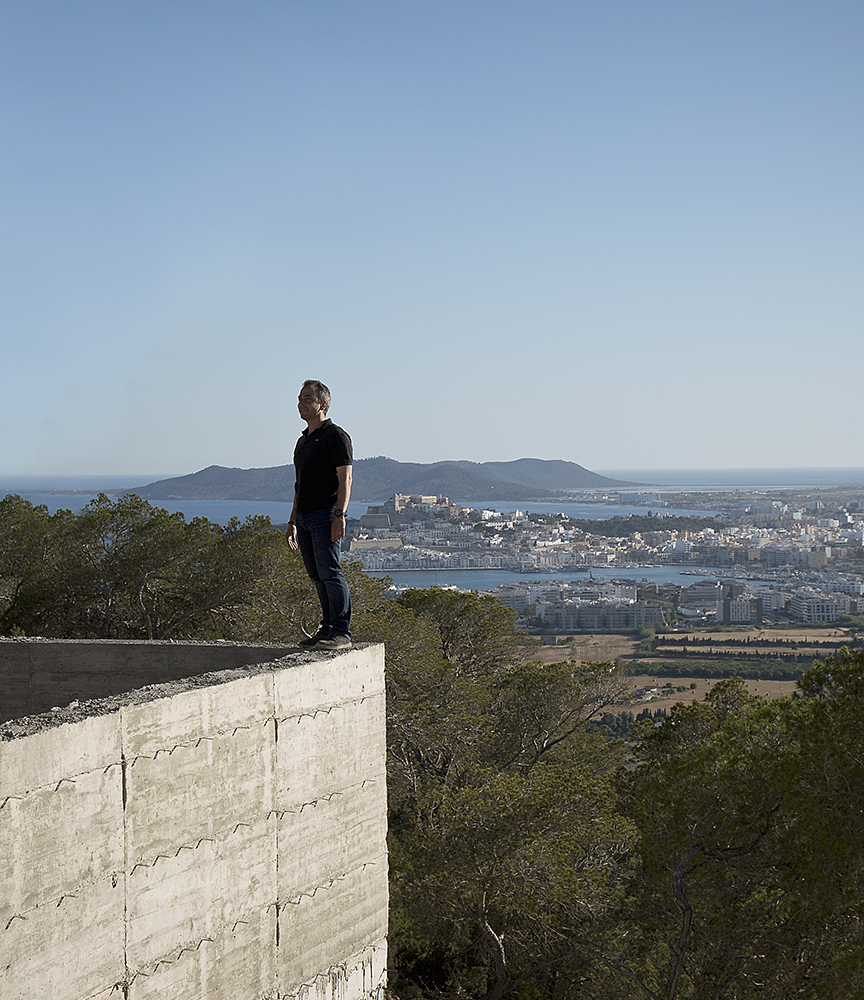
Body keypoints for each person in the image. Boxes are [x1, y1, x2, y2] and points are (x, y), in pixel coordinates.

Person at [285, 379, 353, 649]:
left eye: (307, 399)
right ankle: (326, 628)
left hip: (325, 515)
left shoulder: (336, 436)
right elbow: (298, 486)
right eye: (300, 399)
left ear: (323, 404)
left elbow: (346, 478)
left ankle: (341, 632)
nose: (301, 403)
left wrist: (340, 515)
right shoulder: (302, 442)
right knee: (317, 575)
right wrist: (292, 521)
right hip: (304, 518)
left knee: (331, 573)